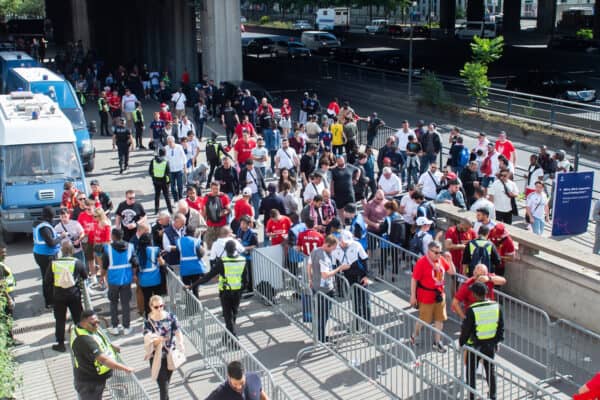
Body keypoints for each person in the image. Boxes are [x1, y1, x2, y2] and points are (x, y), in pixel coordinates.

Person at [71, 310, 133, 399]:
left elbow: (99, 341)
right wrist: (125, 368)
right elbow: (103, 359)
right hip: (89, 383)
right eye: (93, 323)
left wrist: (111, 347)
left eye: (98, 322)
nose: (97, 325)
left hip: (93, 378)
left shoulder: (86, 328)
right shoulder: (84, 340)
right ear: (84, 323)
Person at [191, 241, 246, 337]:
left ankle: (234, 339)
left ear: (225, 250)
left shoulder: (223, 261)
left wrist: (192, 285)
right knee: (233, 315)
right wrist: (241, 290)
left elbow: (207, 277)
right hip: (237, 292)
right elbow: (245, 280)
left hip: (226, 292)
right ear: (235, 249)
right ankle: (226, 337)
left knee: (228, 316)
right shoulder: (242, 260)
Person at [459, 282, 504, 400]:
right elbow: (501, 327)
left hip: (475, 346)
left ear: (474, 295)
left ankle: (472, 396)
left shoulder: (472, 309)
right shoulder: (496, 306)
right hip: (490, 345)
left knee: (471, 372)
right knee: (490, 370)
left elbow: (466, 330)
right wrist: (497, 342)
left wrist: (461, 343)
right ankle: (493, 396)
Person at [410, 241, 456, 352]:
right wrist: (413, 296)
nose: (438, 254)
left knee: (439, 319)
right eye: (436, 252)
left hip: (439, 295)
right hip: (426, 296)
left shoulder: (441, 260)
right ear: (429, 251)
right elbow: (414, 279)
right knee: (424, 319)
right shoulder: (422, 262)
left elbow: (452, 272)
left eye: (440, 252)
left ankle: (437, 342)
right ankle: (414, 336)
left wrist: (450, 261)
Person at [308, 235, 350, 342]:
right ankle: (320, 337)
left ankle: (318, 335)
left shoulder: (315, 250)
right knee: (323, 315)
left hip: (316, 287)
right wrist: (339, 268)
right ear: (327, 245)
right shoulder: (324, 257)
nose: (334, 250)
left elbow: (308, 266)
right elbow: (325, 274)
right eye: (333, 248)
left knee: (319, 313)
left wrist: (310, 279)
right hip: (324, 290)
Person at [46, 241, 87, 352]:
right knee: (78, 318)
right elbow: (85, 276)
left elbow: (47, 281)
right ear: (72, 250)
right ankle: (82, 342)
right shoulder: (77, 262)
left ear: (61, 251)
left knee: (60, 320)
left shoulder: (54, 263)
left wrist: (50, 297)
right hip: (74, 295)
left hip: (58, 296)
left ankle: (60, 344)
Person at [143, 295, 184, 400]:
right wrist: (158, 340)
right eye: (156, 307)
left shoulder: (171, 317)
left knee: (165, 385)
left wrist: (181, 343)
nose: (159, 309)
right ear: (151, 307)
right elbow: (149, 340)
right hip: (157, 357)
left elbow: (177, 331)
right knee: (163, 386)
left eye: (161, 306)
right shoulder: (148, 322)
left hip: (170, 355)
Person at [98, 228, 138, 335]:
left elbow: (105, 266)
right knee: (125, 304)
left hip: (113, 280)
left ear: (113, 236)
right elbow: (135, 263)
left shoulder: (107, 248)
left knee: (113, 303)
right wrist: (134, 275)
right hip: (126, 279)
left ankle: (115, 326)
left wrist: (101, 277)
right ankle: (126, 327)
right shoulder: (130, 247)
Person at [332, 231, 370, 326]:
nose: (346, 244)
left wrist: (366, 276)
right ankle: (357, 323)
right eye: (344, 242)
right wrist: (340, 270)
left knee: (365, 300)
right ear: (340, 240)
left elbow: (365, 260)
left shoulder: (356, 245)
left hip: (360, 275)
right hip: (348, 277)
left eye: (348, 242)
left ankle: (368, 323)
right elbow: (333, 266)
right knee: (355, 301)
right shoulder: (335, 249)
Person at [34, 206, 66, 308]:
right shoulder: (44, 227)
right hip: (46, 256)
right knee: (48, 278)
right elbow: (51, 243)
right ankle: (50, 302)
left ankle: (51, 300)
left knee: (48, 277)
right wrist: (61, 237)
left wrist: (56, 234)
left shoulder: (39, 223)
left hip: (41, 254)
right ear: (50, 216)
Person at [136, 233, 166, 314]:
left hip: (144, 281)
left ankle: (149, 317)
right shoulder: (156, 249)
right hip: (156, 279)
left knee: (147, 300)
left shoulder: (138, 252)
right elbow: (161, 262)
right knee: (158, 299)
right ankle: (159, 315)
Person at [177, 225, 206, 298]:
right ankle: (197, 307)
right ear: (194, 232)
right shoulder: (196, 241)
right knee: (195, 289)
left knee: (186, 289)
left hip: (185, 268)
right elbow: (201, 253)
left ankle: (189, 306)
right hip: (196, 268)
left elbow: (178, 249)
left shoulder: (179, 241)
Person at [201, 182, 232, 250]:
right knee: (210, 246)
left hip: (222, 226)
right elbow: (204, 212)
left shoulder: (224, 197)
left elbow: (229, 210)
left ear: (219, 188)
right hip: (210, 225)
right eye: (213, 189)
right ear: (211, 189)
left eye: (217, 189)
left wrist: (224, 213)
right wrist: (203, 224)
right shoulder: (206, 197)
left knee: (222, 246)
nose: (215, 191)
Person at [149, 148, 173, 215]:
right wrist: (169, 182)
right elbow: (168, 173)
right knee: (167, 196)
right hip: (164, 181)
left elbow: (150, 171)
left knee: (157, 195)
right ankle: (170, 210)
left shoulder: (153, 161)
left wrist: (154, 177)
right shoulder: (166, 161)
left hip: (156, 181)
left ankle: (156, 210)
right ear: (165, 153)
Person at [165, 136, 187, 202]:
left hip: (179, 169)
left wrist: (185, 168)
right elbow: (165, 160)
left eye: (170, 142)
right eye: (168, 142)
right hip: (171, 170)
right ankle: (175, 200)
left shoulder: (179, 147)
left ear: (173, 142)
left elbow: (184, 158)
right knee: (172, 187)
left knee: (180, 185)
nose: (169, 144)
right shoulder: (166, 148)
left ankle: (181, 198)